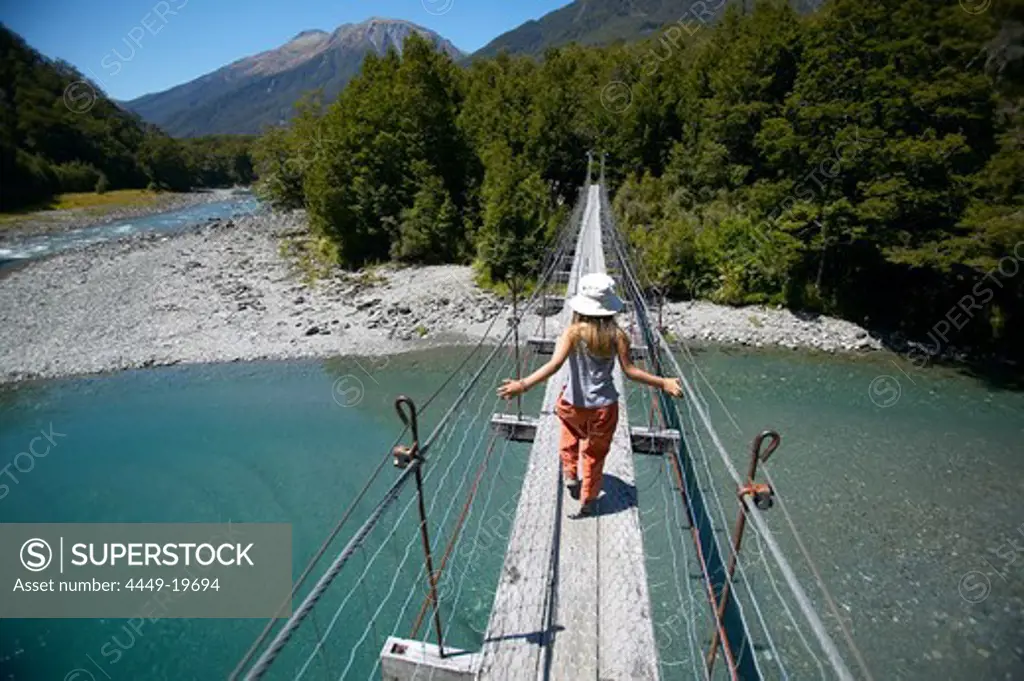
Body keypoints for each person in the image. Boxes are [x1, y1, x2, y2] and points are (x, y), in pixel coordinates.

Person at [497, 272, 683, 517]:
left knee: (569, 433)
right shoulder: (618, 336)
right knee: (595, 455)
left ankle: (571, 474)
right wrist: (664, 382)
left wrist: (523, 384)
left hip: (572, 403)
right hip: (605, 408)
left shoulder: (573, 333)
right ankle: (589, 499)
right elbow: (631, 371)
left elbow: (553, 366)